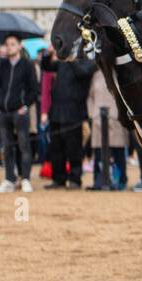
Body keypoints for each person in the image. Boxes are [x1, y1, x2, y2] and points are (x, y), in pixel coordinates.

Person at [39, 45, 95, 188]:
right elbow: (46, 66)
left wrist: (71, 58)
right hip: (57, 110)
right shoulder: (63, 63)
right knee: (56, 147)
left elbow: (82, 72)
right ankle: (59, 178)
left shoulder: (88, 61)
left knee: (74, 147)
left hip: (74, 110)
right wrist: (48, 53)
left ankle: (75, 179)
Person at [0, 34, 38, 193]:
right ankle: (9, 179)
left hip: (20, 112)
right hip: (3, 112)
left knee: (24, 146)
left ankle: (25, 178)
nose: (9, 47)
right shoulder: (3, 65)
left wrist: (25, 105)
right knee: (7, 148)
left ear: (19, 46)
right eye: (7, 44)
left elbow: (34, 90)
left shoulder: (27, 65)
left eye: (13, 44)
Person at [86, 68, 128, 190]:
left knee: (118, 151)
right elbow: (90, 96)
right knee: (98, 153)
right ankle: (98, 180)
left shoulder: (121, 74)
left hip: (116, 119)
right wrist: (92, 114)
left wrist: (121, 114)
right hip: (98, 119)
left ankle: (120, 180)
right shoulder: (96, 75)